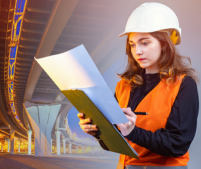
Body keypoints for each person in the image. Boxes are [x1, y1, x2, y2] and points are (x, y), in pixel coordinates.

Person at [77, 2, 199, 169]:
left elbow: (177, 144)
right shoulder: (123, 86)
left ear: (164, 44)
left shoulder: (183, 84)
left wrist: (133, 132)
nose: (137, 51)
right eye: (132, 44)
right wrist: (97, 132)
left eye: (145, 43)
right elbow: (112, 143)